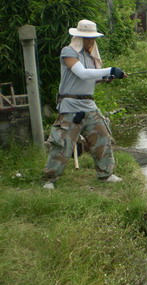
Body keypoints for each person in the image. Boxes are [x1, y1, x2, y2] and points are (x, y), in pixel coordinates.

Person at [43, 19, 127, 189]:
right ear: (78, 37)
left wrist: (104, 78)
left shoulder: (89, 56)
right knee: (62, 144)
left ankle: (106, 174)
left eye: (92, 38)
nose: (91, 41)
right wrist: (110, 70)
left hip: (89, 106)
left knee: (102, 138)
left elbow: (89, 79)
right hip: (70, 107)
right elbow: (81, 73)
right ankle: (49, 179)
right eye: (87, 38)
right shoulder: (68, 52)